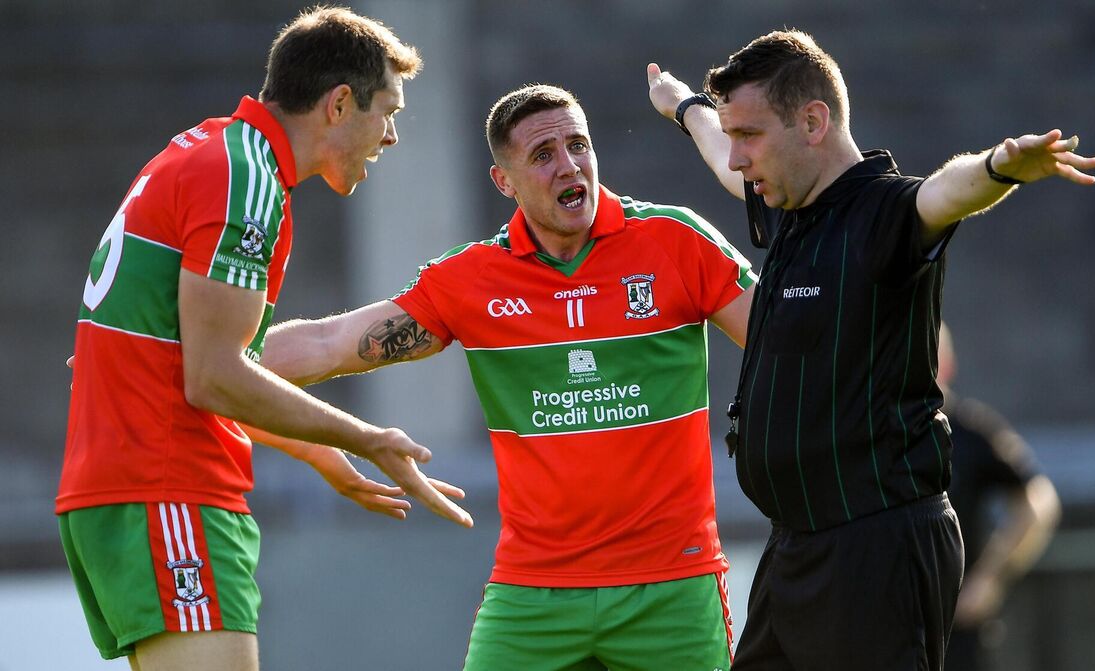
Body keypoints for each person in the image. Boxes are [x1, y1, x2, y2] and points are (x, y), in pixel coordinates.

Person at [259, 83, 757, 670]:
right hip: (533, 595)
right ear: (505, 182)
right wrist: (188, 355)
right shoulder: (472, 281)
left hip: (672, 585)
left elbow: (790, 339)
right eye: (543, 156)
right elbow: (327, 342)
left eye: (578, 145)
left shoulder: (677, 241)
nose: (569, 165)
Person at [646, 29, 1095, 670]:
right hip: (796, 549)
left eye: (751, 135)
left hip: (875, 549)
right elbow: (724, 161)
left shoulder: (884, 212)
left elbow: (947, 192)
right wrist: (685, 106)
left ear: (812, 121)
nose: (741, 159)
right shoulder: (792, 205)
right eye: (736, 135)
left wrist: (1000, 168)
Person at [57, 8, 473, 670]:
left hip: (137, 485)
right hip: (169, 487)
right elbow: (214, 376)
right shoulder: (243, 177)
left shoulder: (213, 150)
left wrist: (315, 452)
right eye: (386, 111)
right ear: (339, 104)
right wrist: (365, 438)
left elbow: (183, 365)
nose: (392, 136)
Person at [938, 325, 1061, 671]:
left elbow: (1038, 500)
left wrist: (991, 577)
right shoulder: (876, 432)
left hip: (958, 633)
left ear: (946, 365)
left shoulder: (969, 431)